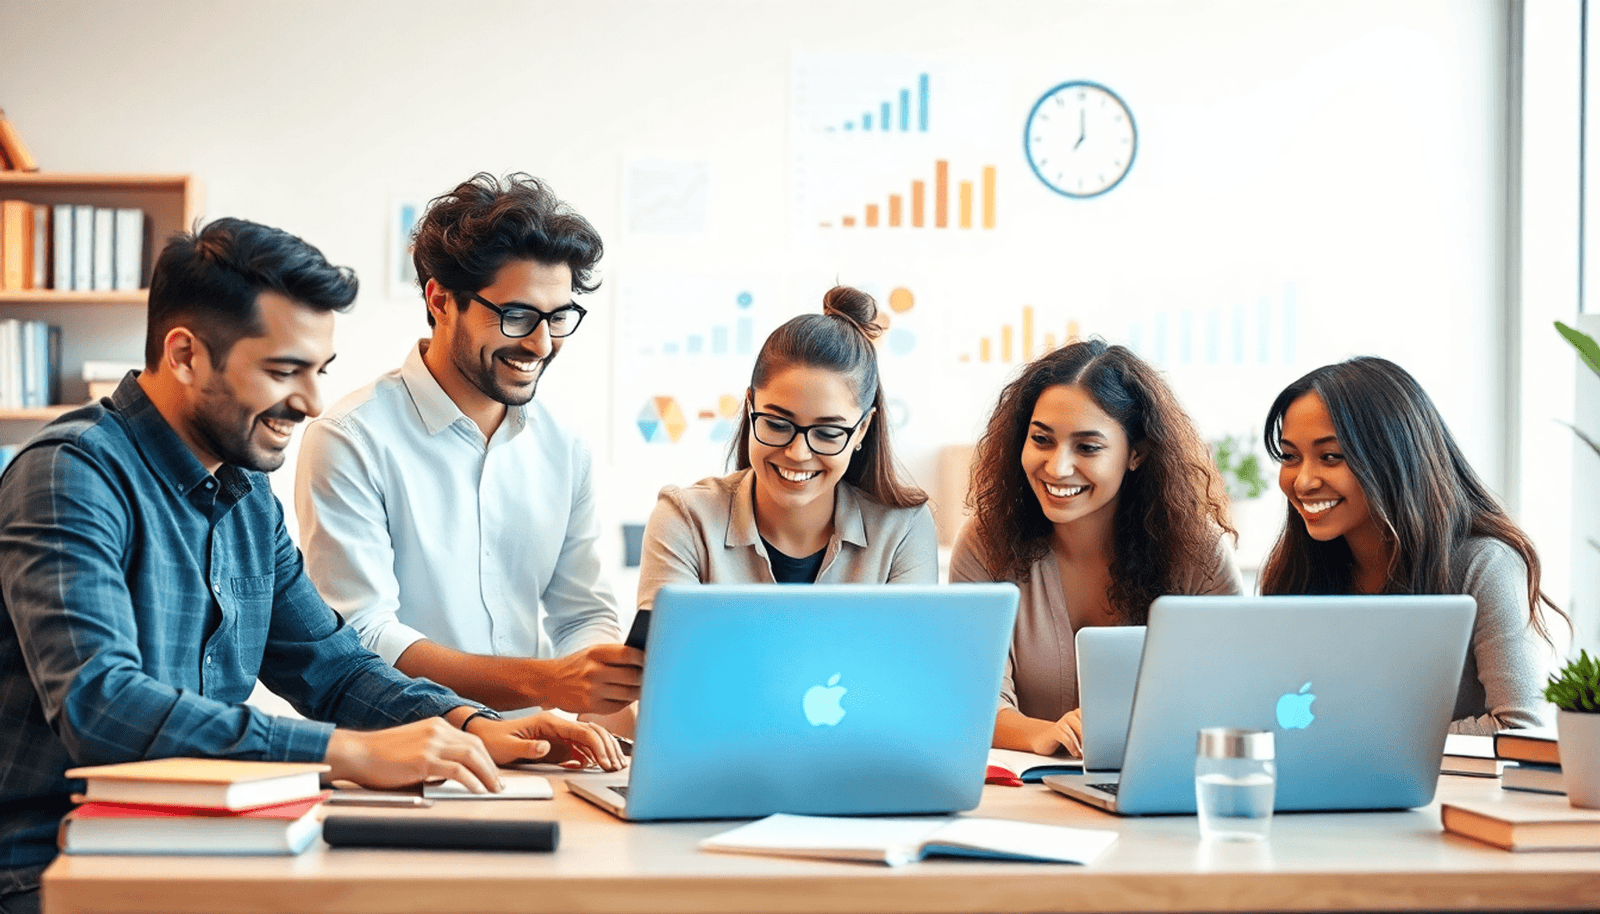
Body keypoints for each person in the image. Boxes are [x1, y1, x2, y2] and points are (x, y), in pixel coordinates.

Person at [0, 219, 624, 914]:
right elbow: (102, 706)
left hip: (184, 843)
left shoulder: (244, 497)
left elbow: (332, 666)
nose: (312, 402)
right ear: (184, 355)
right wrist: (348, 753)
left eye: (318, 371)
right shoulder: (69, 475)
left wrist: (470, 724)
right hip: (45, 864)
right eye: (282, 370)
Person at [295, 173, 640, 725]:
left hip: (540, 754)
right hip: (402, 757)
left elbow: (582, 614)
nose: (542, 343)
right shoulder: (350, 437)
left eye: (558, 317)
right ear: (439, 300)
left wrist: (607, 709)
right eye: (518, 315)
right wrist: (545, 682)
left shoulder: (564, 445)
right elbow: (363, 636)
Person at [951, 340, 1243, 757]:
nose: (1057, 467)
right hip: (1027, 795)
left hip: (1155, 788)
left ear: (1136, 453)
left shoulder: (1199, 552)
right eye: (1042, 440)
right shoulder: (985, 542)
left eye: (1087, 447)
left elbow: (1228, 698)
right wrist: (1042, 733)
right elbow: (973, 699)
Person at [1260, 356, 1567, 734]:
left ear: (1392, 457)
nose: (1303, 481)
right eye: (1290, 456)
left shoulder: (1483, 563)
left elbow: (1519, 724)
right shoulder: (1297, 571)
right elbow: (1287, 719)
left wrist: (1372, 744)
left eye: (1330, 457)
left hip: (1444, 793)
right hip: (1326, 789)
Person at [636, 286, 937, 604]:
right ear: (750, 407)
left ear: (862, 429)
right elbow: (666, 652)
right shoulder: (686, 520)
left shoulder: (904, 529)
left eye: (828, 433)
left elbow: (909, 654)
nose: (798, 452)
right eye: (777, 425)